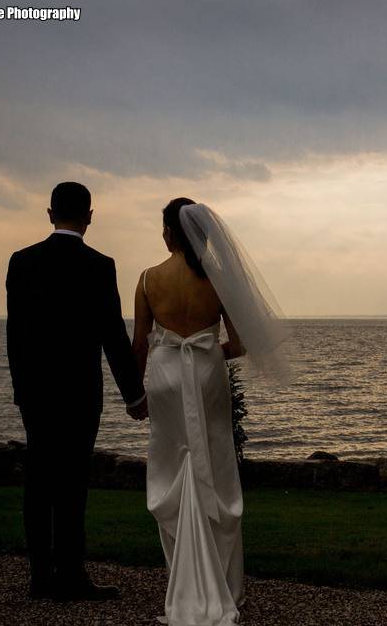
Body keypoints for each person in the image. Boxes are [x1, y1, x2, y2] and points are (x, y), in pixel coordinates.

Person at [132, 198, 289, 625]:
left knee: (170, 466)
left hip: (164, 379)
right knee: (215, 464)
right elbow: (239, 343)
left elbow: (139, 346)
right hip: (206, 374)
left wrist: (138, 395)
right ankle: (224, 585)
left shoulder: (147, 279)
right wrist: (206, 353)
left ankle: (180, 579)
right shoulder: (218, 281)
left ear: (170, 231)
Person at [6, 181, 148, 601]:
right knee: (72, 485)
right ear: (89, 216)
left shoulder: (22, 262)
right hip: (81, 394)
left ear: (50, 214)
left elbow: (16, 335)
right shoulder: (100, 266)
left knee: (38, 482)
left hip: (35, 393)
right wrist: (134, 395)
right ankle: (71, 575)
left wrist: (20, 389)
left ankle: (39, 577)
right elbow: (113, 337)